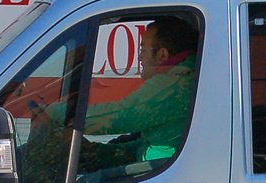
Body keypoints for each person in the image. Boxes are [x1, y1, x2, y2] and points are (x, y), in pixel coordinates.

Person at [77, 15, 199, 166]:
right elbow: (148, 144)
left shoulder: (173, 83)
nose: (140, 58)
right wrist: (96, 152)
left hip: (162, 174)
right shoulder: (188, 75)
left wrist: (59, 115)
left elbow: (117, 117)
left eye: (143, 50)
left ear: (162, 55)